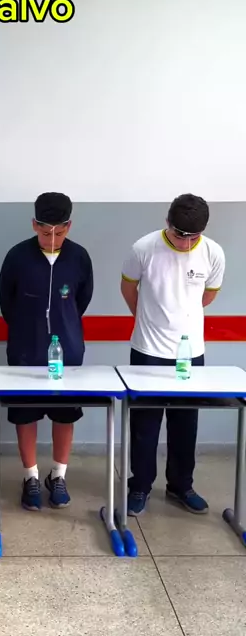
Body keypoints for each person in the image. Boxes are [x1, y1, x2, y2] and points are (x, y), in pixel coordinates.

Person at [121, 193, 225, 516]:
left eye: (193, 237)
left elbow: (208, 295)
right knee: (145, 424)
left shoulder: (213, 253)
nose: (185, 243)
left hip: (190, 353)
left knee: (185, 423)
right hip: (148, 350)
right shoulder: (143, 249)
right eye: (180, 235)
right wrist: (149, 320)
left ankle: (181, 485)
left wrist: (183, 319)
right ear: (167, 223)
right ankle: (140, 486)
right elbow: (128, 289)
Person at [0, 192, 94, 511]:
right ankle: (30, 477)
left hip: (68, 351)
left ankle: (58, 476)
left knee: (64, 415)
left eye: (59, 232)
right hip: (25, 350)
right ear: (34, 225)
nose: (52, 239)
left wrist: (63, 325)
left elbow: (81, 300)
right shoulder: (17, 257)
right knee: (25, 415)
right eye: (45, 231)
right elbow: (7, 301)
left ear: (69, 226)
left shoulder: (79, 257)